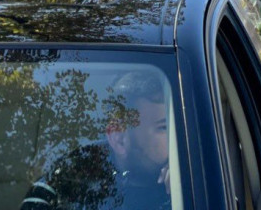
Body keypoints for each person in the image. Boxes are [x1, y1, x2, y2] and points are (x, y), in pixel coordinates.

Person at [21, 71, 171, 210]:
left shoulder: (185, 186)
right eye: (164, 128)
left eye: (176, 129)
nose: (174, 140)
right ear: (119, 139)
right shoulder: (60, 185)